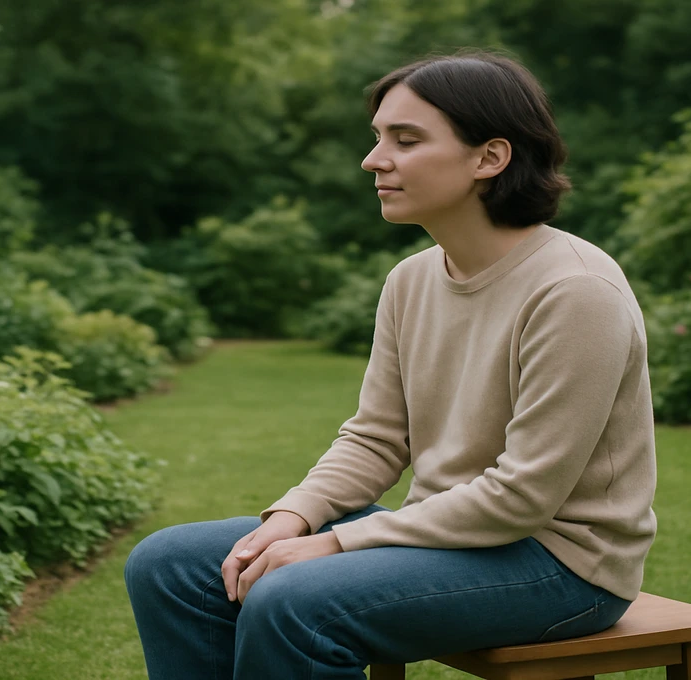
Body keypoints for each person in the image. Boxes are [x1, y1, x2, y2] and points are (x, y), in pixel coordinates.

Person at [124, 51, 657, 680]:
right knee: (168, 564)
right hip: (441, 533)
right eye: (378, 137)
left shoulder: (576, 291)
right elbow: (376, 437)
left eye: (405, 140)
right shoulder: (411, 279)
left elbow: (523, 496)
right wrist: (294, 516)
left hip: (560, 564)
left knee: (296, 603)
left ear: (490, 157)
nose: (373, 160)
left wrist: (333, 542)